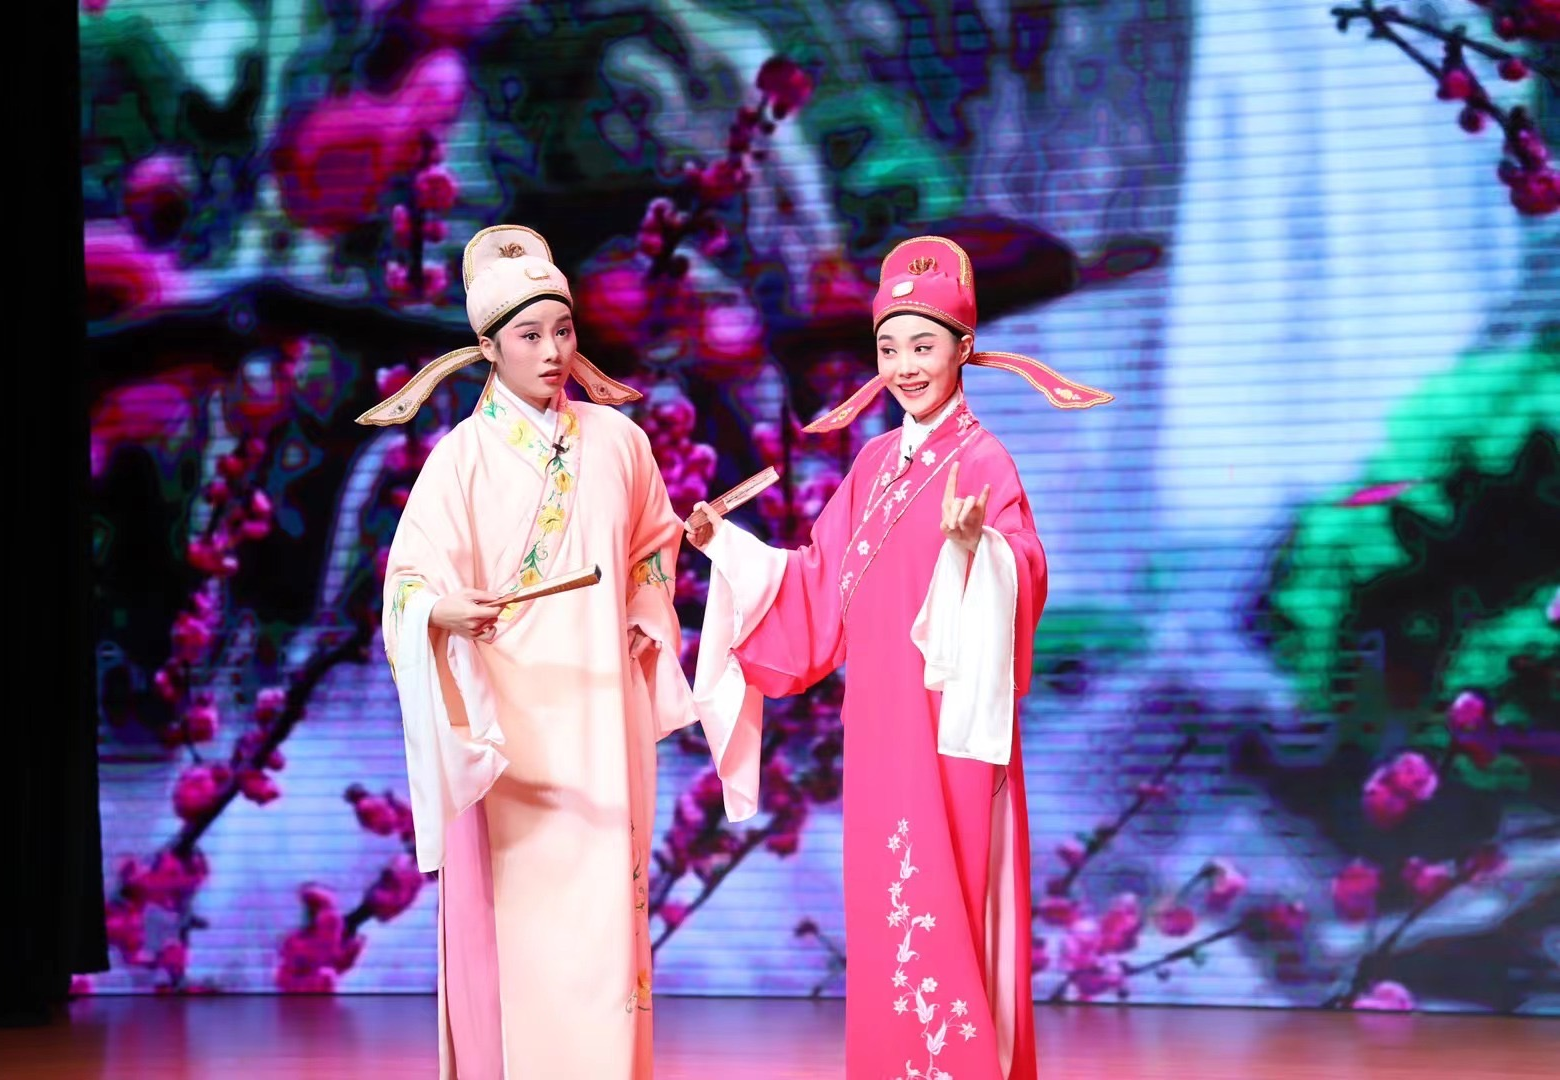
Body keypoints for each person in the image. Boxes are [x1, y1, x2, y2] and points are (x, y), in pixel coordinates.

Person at [689, 235, 1111, 1080]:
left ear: (964, 348)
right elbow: (815, 582)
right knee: (888, 908)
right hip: (880, 726)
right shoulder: (874, 463)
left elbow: (1026, 571)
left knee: (949, 900)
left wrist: (982, 549)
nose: (906, 367)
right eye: (890, 348)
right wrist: (725, 547)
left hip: (953, 731)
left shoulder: (984, 458)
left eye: (924, 346)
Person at [363, 225, 695, 1079]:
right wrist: (442, 610)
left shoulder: (620, 442)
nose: (552, 352)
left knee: (603, 938)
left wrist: (647, 607)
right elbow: (405, 587)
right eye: (529, 335)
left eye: (563, 331)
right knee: (517, 940)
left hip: (601, 717)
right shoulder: (459, 461)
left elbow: (653, 545)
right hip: (505, 737)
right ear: (488, 348)